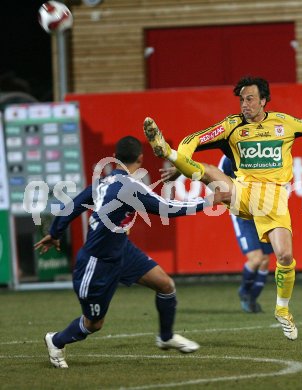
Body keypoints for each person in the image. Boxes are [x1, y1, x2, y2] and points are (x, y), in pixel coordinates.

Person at [143, 75, 302, 341]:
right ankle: (165, 151)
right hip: (243, 192)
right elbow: (194, 138)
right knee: (209, 172)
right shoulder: (231, 126)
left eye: (250, 99)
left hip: (274, 201)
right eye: (242, 99)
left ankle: (283, 311)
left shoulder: (284, 123)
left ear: (264, 100)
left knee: (285, 257)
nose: (245, 104)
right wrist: (179, 158)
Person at [35, 136, 225, 368]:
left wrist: (55, 232)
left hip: (121, 251)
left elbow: (72, 207)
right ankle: (56, 340)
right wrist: (211, 199)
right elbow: (168, 209)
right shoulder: (130, 187)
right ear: (141, 158)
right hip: (98, 261)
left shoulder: (103, 182)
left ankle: (165, 337)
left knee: (165, 285)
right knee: (94, 324)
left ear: (115, 158)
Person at [218, 155, 273, 314]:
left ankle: (252, 299)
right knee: (256, 259)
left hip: (262, 213)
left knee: (264, 260)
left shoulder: (261, 152)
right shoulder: (229, 156)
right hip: (242, 214)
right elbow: (217, 179)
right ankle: (244, 291)